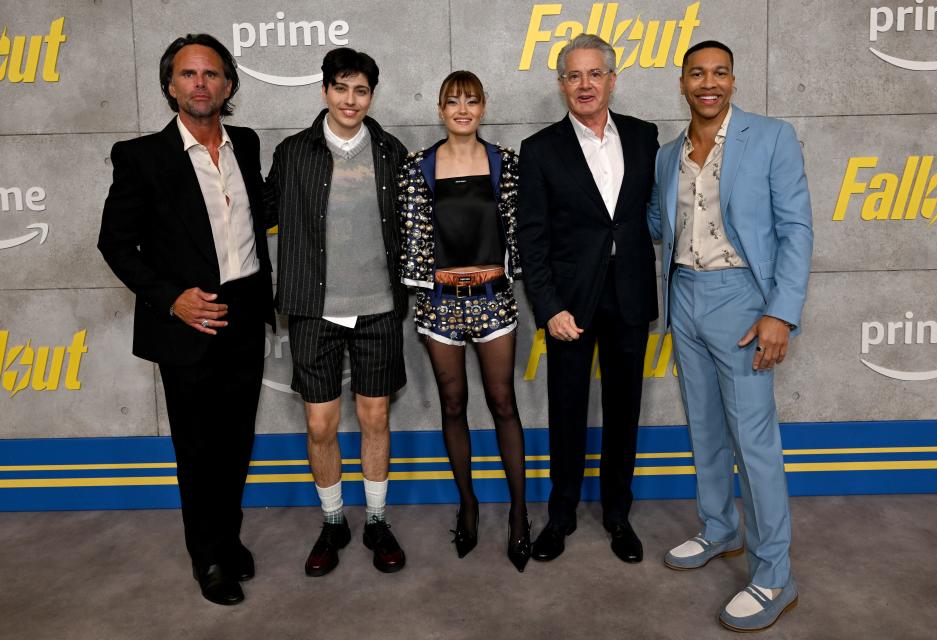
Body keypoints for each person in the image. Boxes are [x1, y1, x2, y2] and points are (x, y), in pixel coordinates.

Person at [98, 34, 275, 606]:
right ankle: (210, 558)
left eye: (212, 74)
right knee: (198, 448)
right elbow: (116, 243)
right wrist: (171, 298)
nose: (201, 83)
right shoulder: (141, 156)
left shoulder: (246, 142)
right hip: (187, 322)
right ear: (170, 84)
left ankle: (228, 536)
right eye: (188, 74)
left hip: (245, 312)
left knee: (236, 442)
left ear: (229, 85)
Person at [647, 40, 813, 632]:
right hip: (684, 296)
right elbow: (656, 222)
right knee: (705, 428)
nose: (708, 82)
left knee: (755, 441)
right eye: (698, 73)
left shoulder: (770, 137)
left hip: (744, 300)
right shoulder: (670, 155)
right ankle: (719, 529)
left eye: (719, 73)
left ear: (733, 82)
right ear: (684, 83)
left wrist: (781, 312)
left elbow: (796, 227)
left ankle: (775, 575)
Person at [265, 48, 408, 576]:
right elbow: (258, 214)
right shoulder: (293, 152)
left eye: (362, 90)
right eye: (342, 88)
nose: (351, 100)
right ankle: (332, 522)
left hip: (378, 309)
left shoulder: (392, 151)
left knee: (375, 417)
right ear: (325, 91)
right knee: (321, 425)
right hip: (312, 310)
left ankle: (374, 518)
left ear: (372, 95)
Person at [517, 33, 659, 564]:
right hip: (569, 305)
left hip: (629, 297)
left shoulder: (646, 138)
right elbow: (532, 239)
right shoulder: (539, 149)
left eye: (594, 74)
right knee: (568, 412)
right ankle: (561, 514)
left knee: (625, 413)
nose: (584, 85)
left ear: (612, 80)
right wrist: (549, 307)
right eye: (573, 76)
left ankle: (618, 515)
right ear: (561, 85)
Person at [398, 71, 530, 572]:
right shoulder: (419, 167)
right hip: (439, 304)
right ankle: (469, 508)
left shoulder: (505, 164)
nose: (462, 109)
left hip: (495, 299)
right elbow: (413, 238)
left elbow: (519, 231)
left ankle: (519, 516)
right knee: (453, 404)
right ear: (439, 108)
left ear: (483, 107)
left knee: (502, 402)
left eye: (471, 100)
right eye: (453, 101)